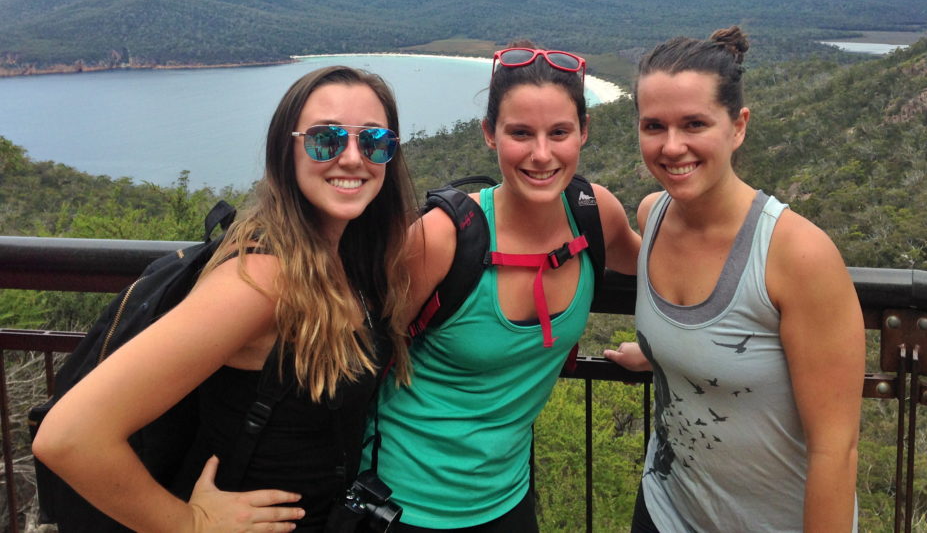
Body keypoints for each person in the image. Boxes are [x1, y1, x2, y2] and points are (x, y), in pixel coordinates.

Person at [33, 65, 416, 532]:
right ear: (286, 150)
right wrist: (189, 524)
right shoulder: (261, 279)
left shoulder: (349, 257)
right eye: (326, 139)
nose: (353, 158)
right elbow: (69, 436)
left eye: (374, 141)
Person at [369, 44, 641, 531]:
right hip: (403, 499)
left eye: (559, 132)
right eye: (520, 133)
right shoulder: (442, 238)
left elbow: (675, 280)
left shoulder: (594, 214)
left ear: (584, 132)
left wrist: (662, 351)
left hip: (508, 497)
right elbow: (355, 353)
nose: (541, 154)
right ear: (490, 135)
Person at [604, 26, 864, 532]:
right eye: (654, 125)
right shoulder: (652, 216)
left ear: (738, 126)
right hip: (663, 507)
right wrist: (662, 355)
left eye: (695, 123)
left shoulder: (796, 254)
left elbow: (837, 450)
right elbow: (702, 333)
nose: (672, 146)